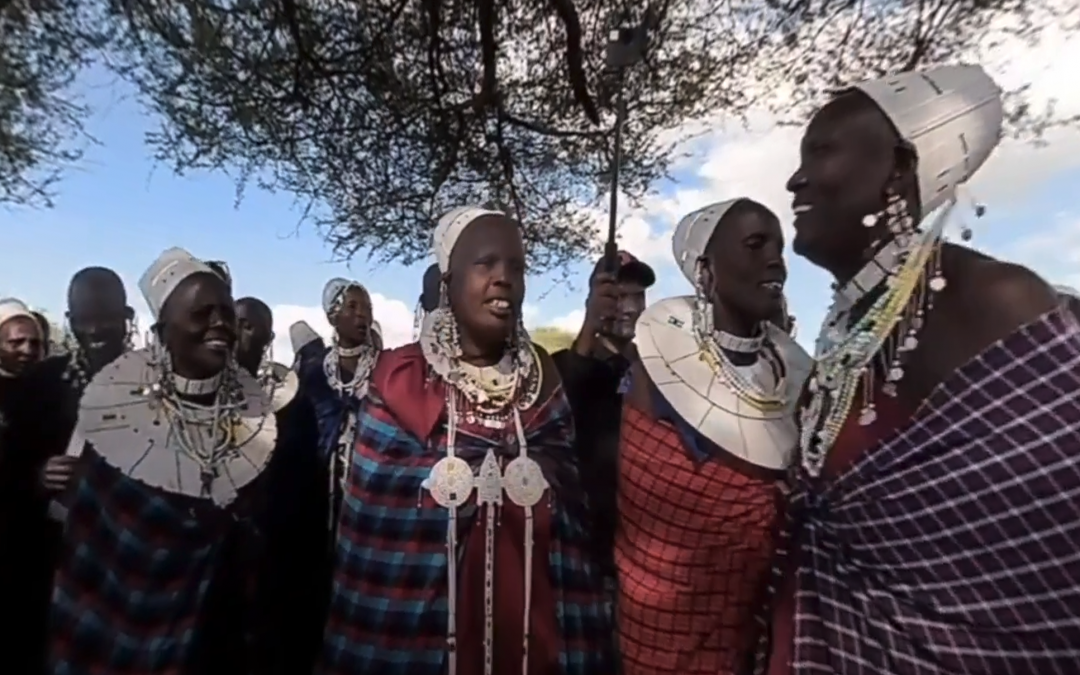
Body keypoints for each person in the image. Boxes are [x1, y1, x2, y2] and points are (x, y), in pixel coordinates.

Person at [763, 65, 1080, 675]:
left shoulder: (993, 302)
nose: (795, 178)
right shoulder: (851, 327)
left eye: (820, 152)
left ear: (899, 168)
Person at [320, 205, 614, 675]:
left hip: (531, 632)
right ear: (447, 284)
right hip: (422, 643)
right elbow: (378, 515)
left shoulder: (543, 377)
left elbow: (570, 511)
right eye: (486, 264)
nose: (504, 278)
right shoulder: (401, 379)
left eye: (516, 267)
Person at [48, 247, 303, 675]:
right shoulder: (119, 419)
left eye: (225, 311)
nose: (220, 323)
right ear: (162, 330)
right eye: (202, 313)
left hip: (223, 638)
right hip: (120, 638)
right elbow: (91, 557)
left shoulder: (260, 420)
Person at [616, 199, 811, 675]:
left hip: (763, 638)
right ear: (706, 270)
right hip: (664, 639)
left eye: (780, 247)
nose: (775, 261)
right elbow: (655, 498)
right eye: (754, 245)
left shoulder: (800, 381)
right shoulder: (656, 371)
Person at [551, 251, 655, 583]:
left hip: (644, 546)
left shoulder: (659, 369)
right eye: (618, 295)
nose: (629, 306)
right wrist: (590, 326)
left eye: (638, 296)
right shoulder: (566, 364)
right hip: (585, 546)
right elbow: (560, 408)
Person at [295, 278, 382, 537]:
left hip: (371, 480)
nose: (361, 315)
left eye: (367, 308)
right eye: (352, 307)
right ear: (333, 317)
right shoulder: (314, 371)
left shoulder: (386, 369)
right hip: (321, 481)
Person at [0, 298, 53, 675]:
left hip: (43, 543)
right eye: (15, 342)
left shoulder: (53, 393)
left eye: (34, 343)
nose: (26, 351)